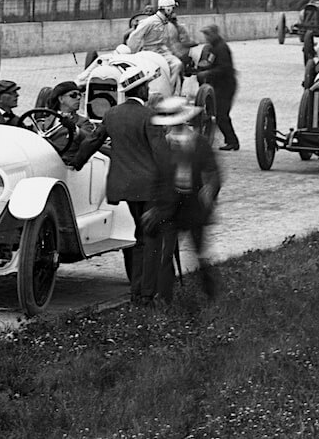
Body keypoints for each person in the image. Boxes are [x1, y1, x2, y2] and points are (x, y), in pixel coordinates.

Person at [69, 66, 173, 307]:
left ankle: (138, 291)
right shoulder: (149, 116)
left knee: (140, 237)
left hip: (124, 187)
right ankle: (146, 294)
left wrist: (76, 162)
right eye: (147, 86)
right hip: (151, 187)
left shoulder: (112, 114)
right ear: (141, 89)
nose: (149, 90)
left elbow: (93, 141)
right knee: (151, 239)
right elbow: (162, 154)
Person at [144, 96, 221, 303]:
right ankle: (165, 300)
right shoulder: (163, 146)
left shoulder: (199, 142)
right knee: (166, 254)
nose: (171, 128)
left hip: (194, 206)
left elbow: (214, 172)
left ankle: (210, 295)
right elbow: (158, 179)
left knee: (200, 253)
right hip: (169, 207)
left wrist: (210, 191)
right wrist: (153, 207)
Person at [127, 0, 184, 92]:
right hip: (150, 52)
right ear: (168, 9)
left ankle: (170, 91)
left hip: (163, 52)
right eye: (172, 9)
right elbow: (135, 37)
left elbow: (169, 41)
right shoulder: (149, 22)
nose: (174, 12)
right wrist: (132, 54)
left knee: (177, 64)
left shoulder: (166, 23)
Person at [197, 24, 240, 151]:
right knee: (217, 114)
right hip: (217, 84)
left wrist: (208, 73)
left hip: (226, 85)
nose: (206, 37)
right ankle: (229, 140)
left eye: (208, 34)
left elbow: (224, 68)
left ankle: (233, 142)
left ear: (215, 34)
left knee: (222, 115)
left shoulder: (221, 48)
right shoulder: (212, 48)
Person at [44, 81, 94, 162]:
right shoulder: (45, 120)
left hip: (67, 163)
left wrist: (74, 129)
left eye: (79, 95)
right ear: (61, 99)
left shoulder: (83, 121)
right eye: (73, 95)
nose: (78, 98)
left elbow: (90, 139)